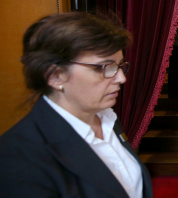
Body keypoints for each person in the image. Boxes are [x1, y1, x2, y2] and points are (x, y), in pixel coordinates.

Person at [0, 12, 153, 198]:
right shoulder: (19, 160)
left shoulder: (106, 117)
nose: (121, 78)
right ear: (55, 76)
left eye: (120, 65)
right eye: (104, 67)